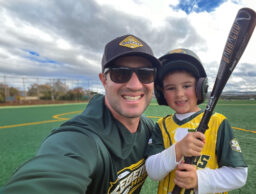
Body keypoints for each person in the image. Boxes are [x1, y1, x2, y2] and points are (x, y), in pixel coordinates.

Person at [0, 34, 161, 194]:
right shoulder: (81, 138)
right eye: (120, 73)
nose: (134, 85)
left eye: (145, 74)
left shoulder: (148, 128)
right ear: (104, 81)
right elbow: (53, 172)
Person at [145, 48, 248, 194]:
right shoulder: (162, 126)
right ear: (161, 94)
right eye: (171, 88)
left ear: (201, 87)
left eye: (186, 86)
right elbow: (153, 172)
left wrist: (199, 179)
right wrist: (178, 150)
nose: (179, 94)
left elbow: (239, 176)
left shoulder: (218, 123)